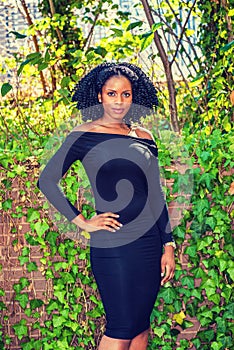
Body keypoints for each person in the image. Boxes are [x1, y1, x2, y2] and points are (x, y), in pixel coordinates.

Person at [38, 62, 176, 350]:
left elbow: (155, 195)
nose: (119, 101)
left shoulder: (144, 137)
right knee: (120, 328)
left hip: (149, 244)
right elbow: (47, 180)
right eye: (112, 93)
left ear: (133, 96)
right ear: (99, 95)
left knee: (140, 326)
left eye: (126, 95)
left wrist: (168, 246)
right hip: (113, 244)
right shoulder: (84, 135)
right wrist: (83, 222)